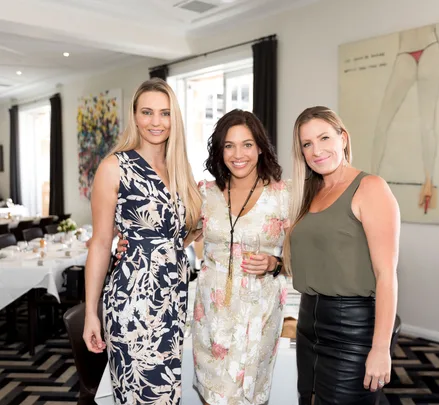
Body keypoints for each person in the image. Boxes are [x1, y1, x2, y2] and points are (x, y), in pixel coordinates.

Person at [116, 109, 290, 405]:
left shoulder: (282, 195)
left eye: (247, 144)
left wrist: (276, 263)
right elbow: (171, 237)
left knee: (248, 397)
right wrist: (131, 244)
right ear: (220, 151)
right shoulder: (204, 195)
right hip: (211, 314)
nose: (238, 154)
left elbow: (301, 257)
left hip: (259, 314)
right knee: (213, 395)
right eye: (229, 145)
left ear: (260, 148)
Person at [82, 78, 202, 405]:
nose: (156, 121)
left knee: (166, 394)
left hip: (173, 300)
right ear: (134, 116)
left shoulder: (180, 169)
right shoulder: (114, 167)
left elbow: (178, 236)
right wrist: (91, 312)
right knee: (143, 394)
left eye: (165, 113)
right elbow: (100, 243)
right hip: (133, 301)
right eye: (147, 112)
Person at [284, 106, 400, 404]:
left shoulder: (370, 188)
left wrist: (380, 348)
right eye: (307, 144)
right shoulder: (308, 193)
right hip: (308, 323)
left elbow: (386, 276)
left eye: (324, 138)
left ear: (343, 138)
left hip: (353, 329)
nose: (316, 150)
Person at [372, 24, 439, 213]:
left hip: (423, 50)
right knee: (423, 125)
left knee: (424, 125)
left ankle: (428, 182)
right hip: (424, 49)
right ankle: (427, 184)